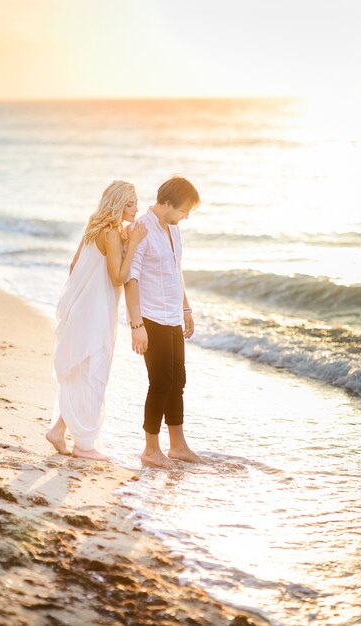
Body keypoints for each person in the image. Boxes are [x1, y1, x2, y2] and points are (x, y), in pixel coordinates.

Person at [46, 181, 147, 460]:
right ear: (116, 204)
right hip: (97, 311)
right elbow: (117, 277)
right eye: (130, 204)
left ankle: (58, 430)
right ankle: (84, 445)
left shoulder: (94, 225)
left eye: (136, 203)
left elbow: (73, 267)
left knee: (82, 370)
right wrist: (134, 244)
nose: (136, 208)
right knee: (94, 373)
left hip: (82, 307)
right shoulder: (112, 233)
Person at [124, 176, 205, 468]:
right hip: (151, 317)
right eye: (184, 210)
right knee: (160, 382)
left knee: (177, 382)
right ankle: (150, 450)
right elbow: (130, 279)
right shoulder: (141, 229)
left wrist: (186, 308)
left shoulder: (172, 230)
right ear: (168, 203)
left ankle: (178, 446)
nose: (186, 217)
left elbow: (175, 269)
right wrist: (136, 326)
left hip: (172, 316)